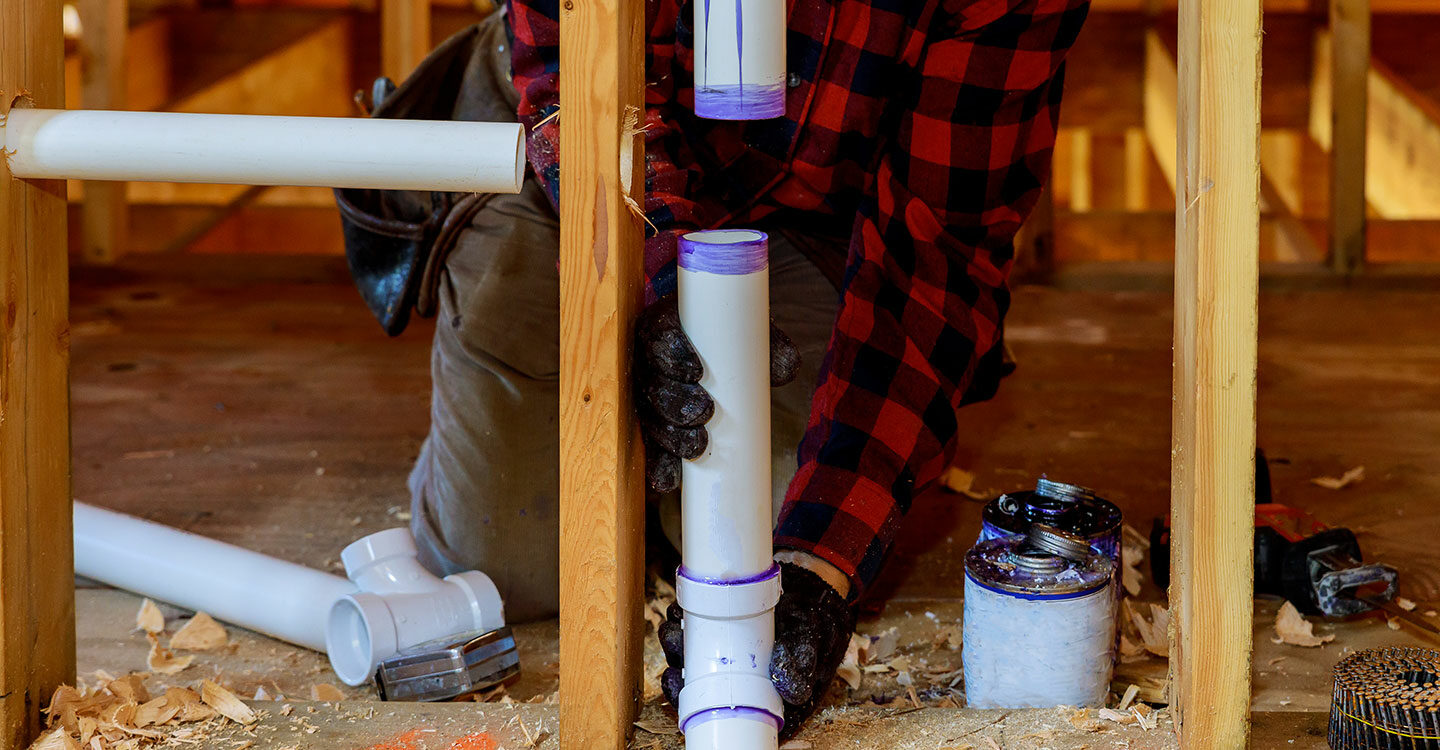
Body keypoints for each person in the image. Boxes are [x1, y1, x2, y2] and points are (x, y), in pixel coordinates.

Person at [335, 0, 1089, 733]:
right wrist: (655, 286)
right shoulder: (583, 113)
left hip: (813, 215)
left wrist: (818, 567)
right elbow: (577, 79)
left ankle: (670, 503)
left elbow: (936, 258)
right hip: (573, 146)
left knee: (778, 531)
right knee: (514, 567)